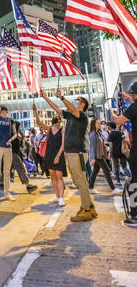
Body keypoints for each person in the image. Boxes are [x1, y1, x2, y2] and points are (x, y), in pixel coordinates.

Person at [39, 88, 97, 222]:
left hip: (77, 153)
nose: (76, 102)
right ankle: (89, 206)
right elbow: (57, 109)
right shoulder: (70, 115)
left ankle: (86, 209)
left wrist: (62, 97)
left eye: (78, 101)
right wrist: (45, 97)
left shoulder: (82, 116)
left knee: (81, 181)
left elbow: (72, 109)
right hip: (71, 153)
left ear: (83, 104)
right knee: (78, 181)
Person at [111, 84, 137, 226]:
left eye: (132, 94)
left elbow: (118, 121)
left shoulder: (133, 108)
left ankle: (135, 215)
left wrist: (113, 113)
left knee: (134, 182)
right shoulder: (133, 106)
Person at [33, 104, 67, 206]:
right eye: (57, 119)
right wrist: (35, 111)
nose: (58, 121)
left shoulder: (62, 131)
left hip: (58, 155)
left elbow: (63, 145)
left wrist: (58, 156)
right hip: (49, 154)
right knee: (53, 177)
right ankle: (57, 196)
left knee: (59, 176)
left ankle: (61, 197)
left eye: (58, 119)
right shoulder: (50, 129)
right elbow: (39, 122)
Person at [0, 91, 17, 202]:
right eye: (2, 111)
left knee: (7, 171)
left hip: (8, 148)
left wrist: (10, 140)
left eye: (5, 111)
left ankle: (7, 193)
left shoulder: (10, 121)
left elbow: (15, 133)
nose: (4, 112)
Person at [89, 119, 122, 195]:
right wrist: (92, 158)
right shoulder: (93, 134)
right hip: (97, 156)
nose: (99, 124)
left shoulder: (97, 133)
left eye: (99, 122)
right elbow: (92, 147)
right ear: (93, 124)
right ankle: (113, 188)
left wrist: (107, 150)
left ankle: (91, 187)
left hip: (100, 155)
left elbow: (103, 145)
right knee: (107, 170)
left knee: (95, 171)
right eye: (97, 123)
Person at [11, 121, 38, 194]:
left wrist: (21, 134)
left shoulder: (17, 136)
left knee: (6, 171)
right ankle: (28, 185)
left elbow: (22, 137)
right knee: (21, 169)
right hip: (13, 154)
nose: (20, 129)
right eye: (19, 127)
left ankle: (0, 183)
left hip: (16, 154)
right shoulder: (12, 136)